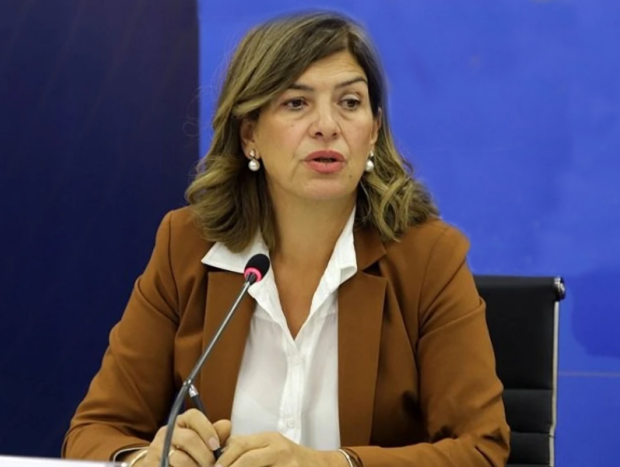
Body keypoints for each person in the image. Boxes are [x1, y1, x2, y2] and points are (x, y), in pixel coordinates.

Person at [62, 10, 510, 467]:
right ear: (249, 133)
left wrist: (327, 464)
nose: (327, 126)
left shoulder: (428, 258)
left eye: (349, 102)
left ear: (374, 131)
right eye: (296, 103)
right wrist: (145, 460)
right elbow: (95, 431)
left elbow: (481, 449)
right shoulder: (187, 247)